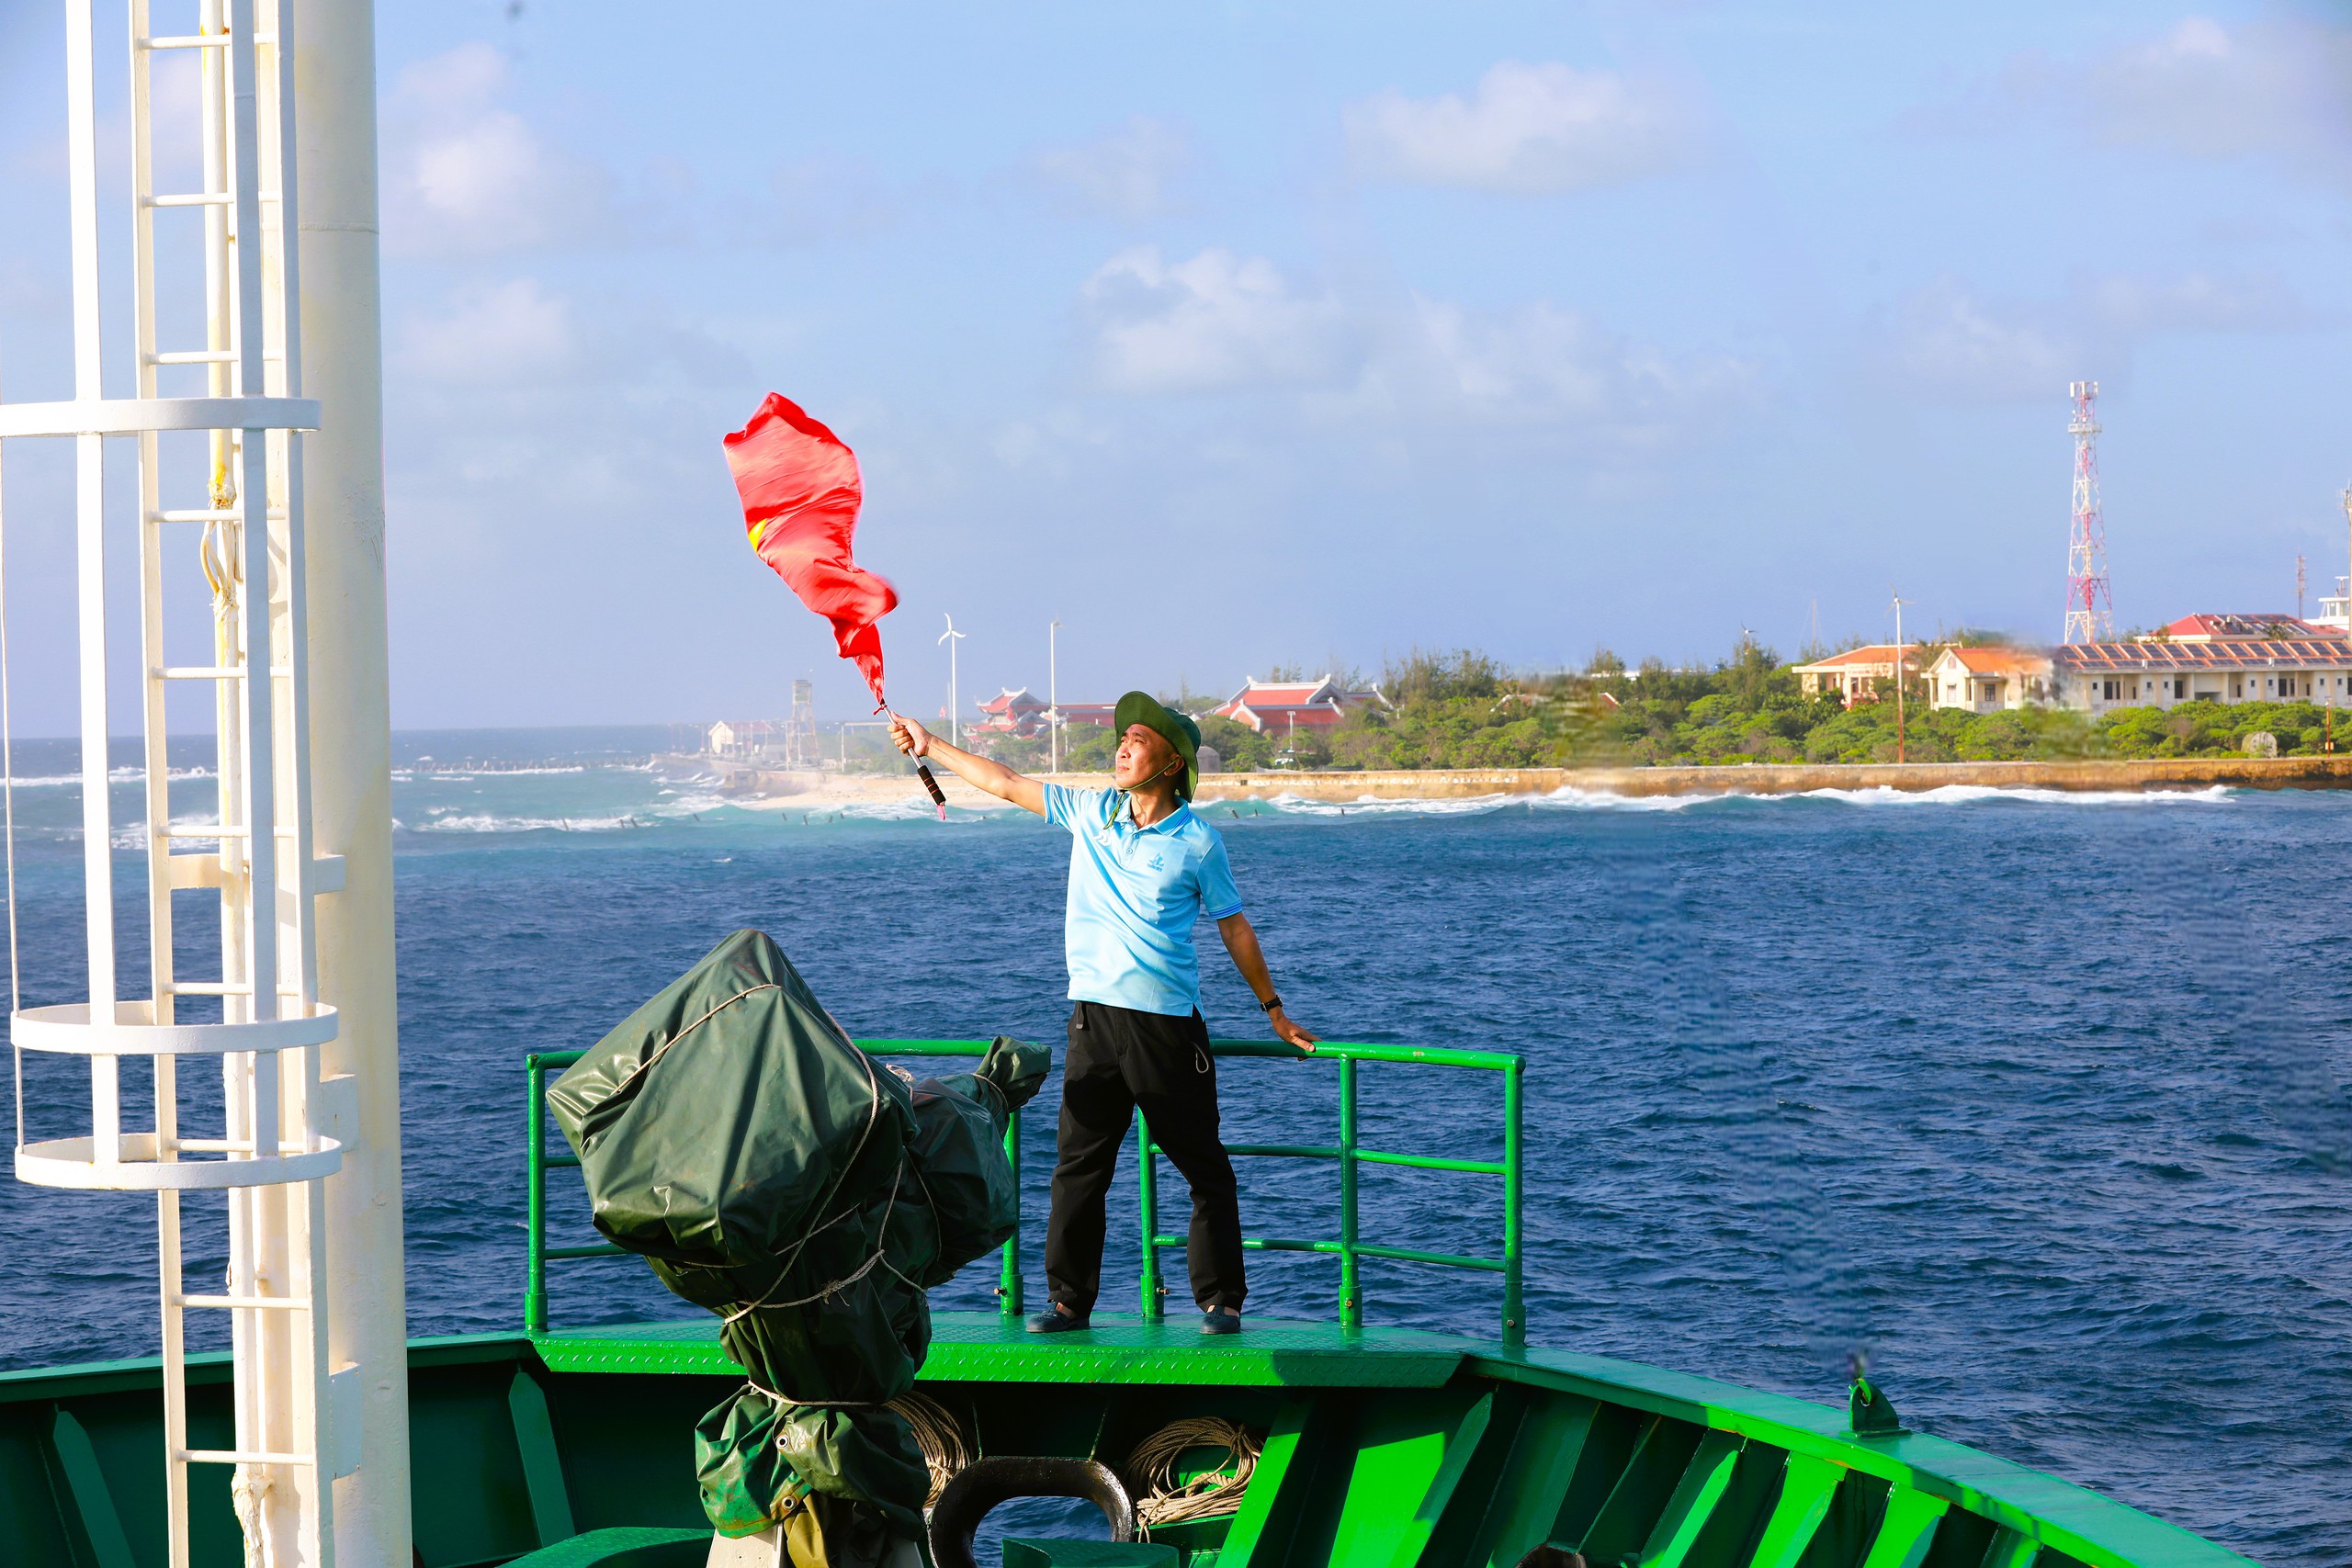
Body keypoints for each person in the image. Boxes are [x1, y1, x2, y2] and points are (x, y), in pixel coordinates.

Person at [890, 692, 1318, 1336]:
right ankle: (1069, 1301)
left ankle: (1221, 1299)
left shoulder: (1199, 842)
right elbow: (1005, 782)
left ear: (1173, 762)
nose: (1122, 747)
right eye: (1122, 738)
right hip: (1093, 1022)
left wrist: (1275, 1012)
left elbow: (1234, 929)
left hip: (1167, 1028)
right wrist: (931, 746)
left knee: (1204, 1167)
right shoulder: (1092, 812)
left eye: (1139, 739)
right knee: (1078, 1167)